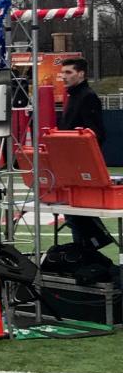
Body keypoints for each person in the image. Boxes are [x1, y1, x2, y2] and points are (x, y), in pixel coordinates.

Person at [57, 58, 109, 248]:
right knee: (74, 215)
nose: (63, 76)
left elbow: (96, 133)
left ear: (81, 74)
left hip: (81, 166)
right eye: (63, 72)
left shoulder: (87, 96)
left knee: (80, 216)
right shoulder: (74, 96)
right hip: (72, 163)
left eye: (69, 72)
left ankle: (92, 250)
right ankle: (87, 252)